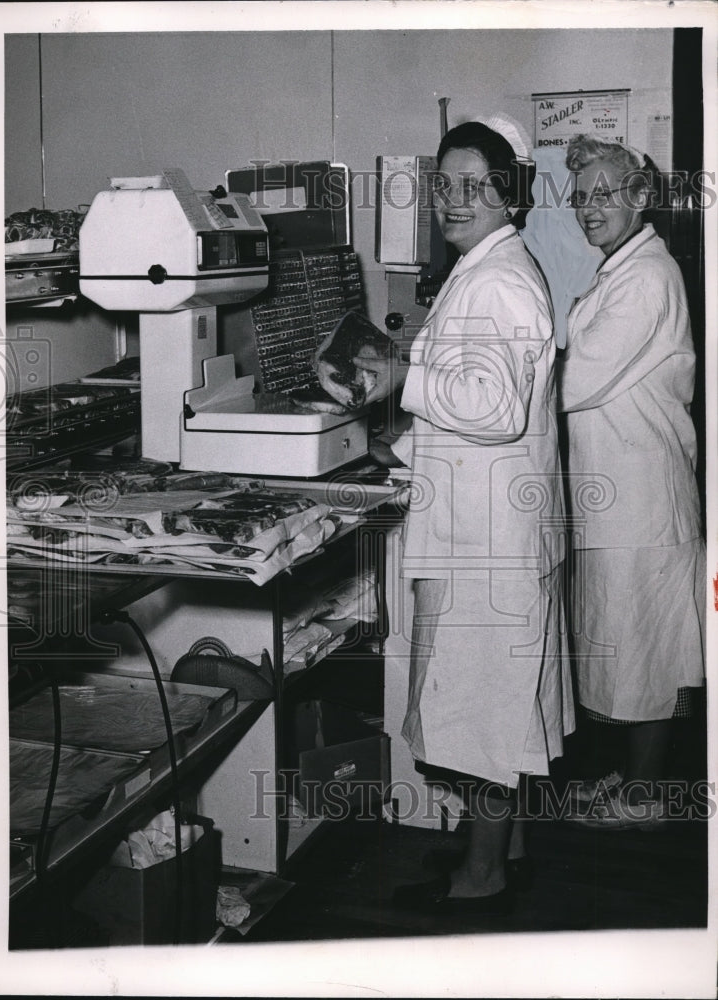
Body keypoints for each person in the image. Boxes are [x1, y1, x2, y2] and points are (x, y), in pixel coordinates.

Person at [317, 117, 574, 914]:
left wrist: (398, 374)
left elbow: (493, 407)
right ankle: (505, 849)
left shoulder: (497, 279)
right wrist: (405, 445)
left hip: (486, 544)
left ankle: (484, 876)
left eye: (474, 186)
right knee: (492, 702)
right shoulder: (485, 266)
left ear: (510, 195)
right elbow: (482, 408)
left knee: (482, 711)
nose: (453, 200)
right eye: (444, 184)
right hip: (485, 520)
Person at [558, 133, 706, 828]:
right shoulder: (619, 268)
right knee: (620, 644)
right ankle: (629, 777)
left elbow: (574, 376)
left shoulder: (648, 276)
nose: (589, 208)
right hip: (613, 495)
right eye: (581, 196)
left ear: (639, 197)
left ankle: (646, 794)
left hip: (643, 499)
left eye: (604, 194)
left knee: (647, 649)